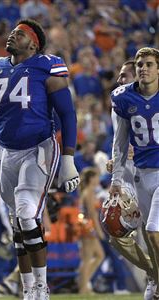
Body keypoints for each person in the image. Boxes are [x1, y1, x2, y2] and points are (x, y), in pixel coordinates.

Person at [0, 19, 79, 300]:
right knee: (18, 221)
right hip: (6, 151)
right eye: (12, 32)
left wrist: (68, 158)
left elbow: (67, 113)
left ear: (34, 43)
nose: (12, 36)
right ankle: (28, 288)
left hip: (38, 148)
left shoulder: (47, 65)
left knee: (27, 213)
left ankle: (41, 287)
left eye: (20, 34)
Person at [109, 47, 159, 299]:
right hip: (140, 174)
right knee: (137, 235)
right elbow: (119, 142)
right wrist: (116, 178)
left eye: (149, 64)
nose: (143, 69)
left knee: (153, 230)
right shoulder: (123, 99)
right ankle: (155, 276)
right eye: (140, 64)